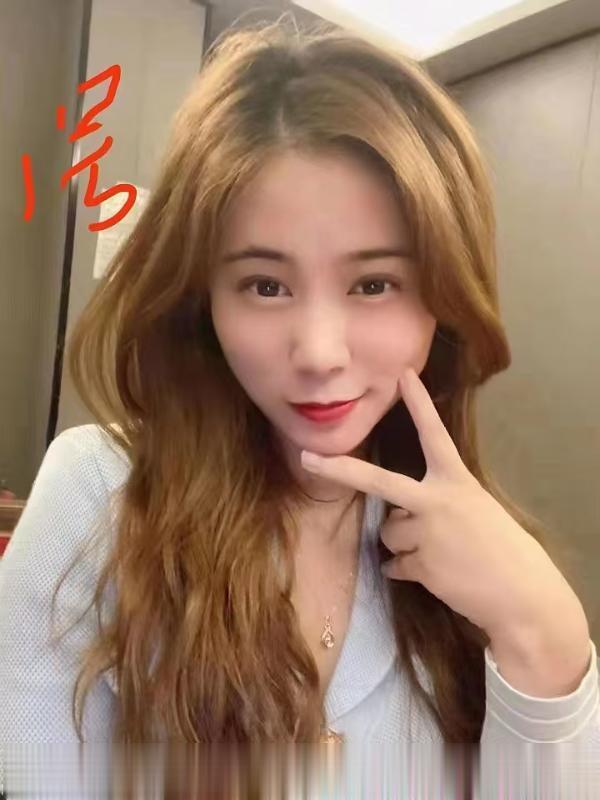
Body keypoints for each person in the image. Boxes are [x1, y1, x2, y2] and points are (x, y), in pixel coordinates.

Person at [0, 13, 598, 797]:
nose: (319, 352)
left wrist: (545, 636)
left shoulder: (475, 553)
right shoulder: (101, 494)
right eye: (265, 285)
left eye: (374, 284)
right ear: (204, 302)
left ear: (443, 304)